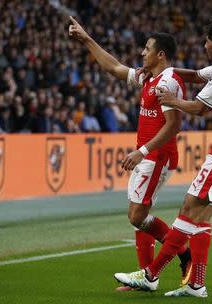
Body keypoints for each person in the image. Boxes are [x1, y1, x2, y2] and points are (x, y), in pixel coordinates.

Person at [114, 16, 212, 298]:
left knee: (189, 207)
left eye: (206, 41)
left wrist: (173, 101)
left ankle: (151, 275)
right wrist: (160, 69)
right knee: (200, 217)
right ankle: (196, 284)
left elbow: (200, 107)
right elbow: (195, 75)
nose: (203, 45)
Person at [68, 17, 191, 289]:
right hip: (148, 155)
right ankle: (147, 277)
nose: (141, 53)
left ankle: (183, 253)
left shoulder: (167, 83)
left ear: (161, 54)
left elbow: (174, 126)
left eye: (147, 49)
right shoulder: (149, 77)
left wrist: (142, 151)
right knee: (139, 220)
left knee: (137, 216)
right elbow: (113, 67)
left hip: (157, 156)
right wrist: (87, 39)